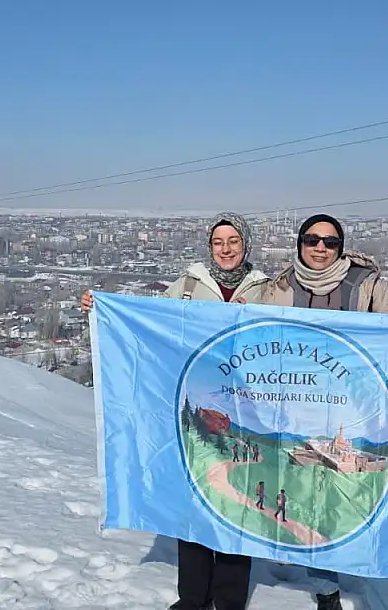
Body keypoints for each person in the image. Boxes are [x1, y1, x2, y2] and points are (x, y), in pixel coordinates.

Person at [82, 211, 269, 610]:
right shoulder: (186, 285)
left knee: (237, 505)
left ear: (246, 244)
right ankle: (193, 597)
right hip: (197, 409)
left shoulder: (266, 290)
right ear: (209, 247)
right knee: (195, 502)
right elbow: (149, 325)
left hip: (245, 412)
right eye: (219, 242)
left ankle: (230, 598)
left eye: (233, 241)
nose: (226, 249)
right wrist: (102, 308)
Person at [262, 213, 388, 610]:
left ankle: (378, 601)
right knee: (314, 507)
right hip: (304, 411)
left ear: (341, 246)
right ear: (299, 243)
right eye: (311, 239)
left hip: (359, 410)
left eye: (330, 241)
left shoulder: (368, 285)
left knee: (371, 510)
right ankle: (326, 593)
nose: (320, 247)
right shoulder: (280, 287)